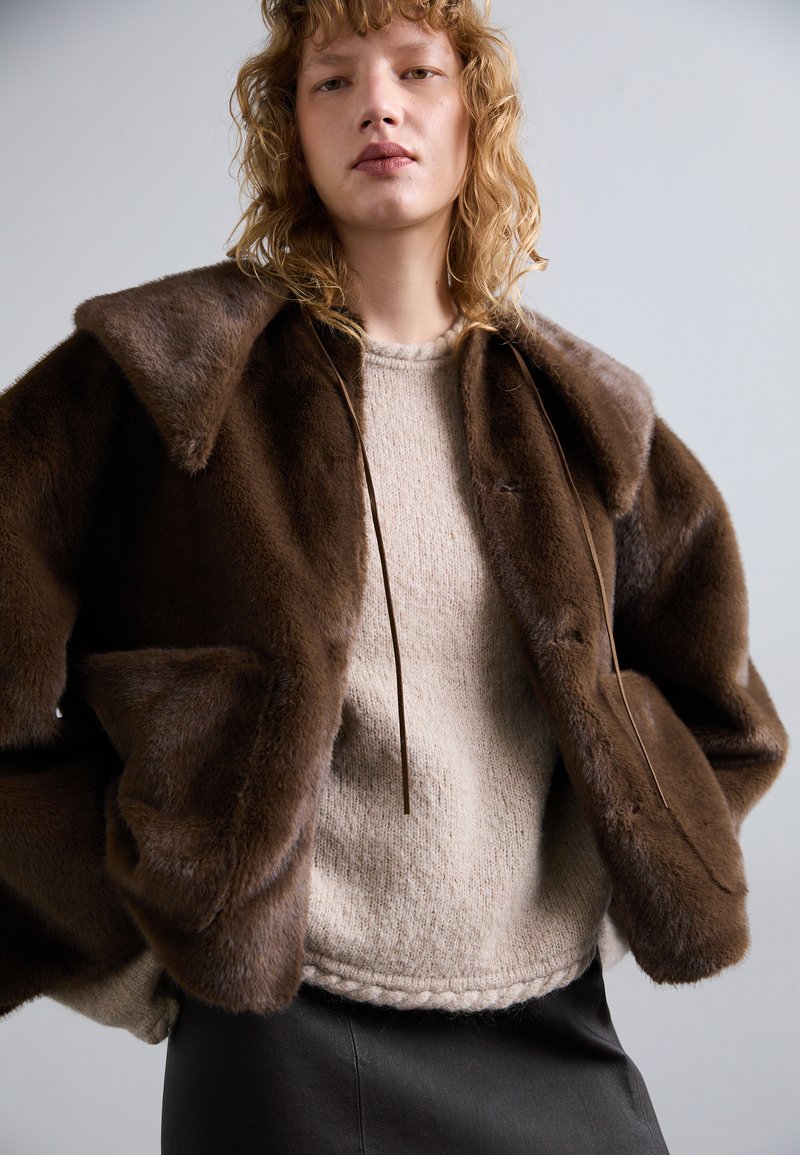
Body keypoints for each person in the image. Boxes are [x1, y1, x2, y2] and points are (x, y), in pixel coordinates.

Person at [0, 1, 788, 1152]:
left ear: (475, 114)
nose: (377, 105)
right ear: (290, 128)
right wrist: (137, 940)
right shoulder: (168, 372)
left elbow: (727, 714)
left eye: (416, 71)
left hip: (547, 1020)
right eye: (333, 80)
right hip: (282, 1036)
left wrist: (620, 875)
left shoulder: (577, 411)